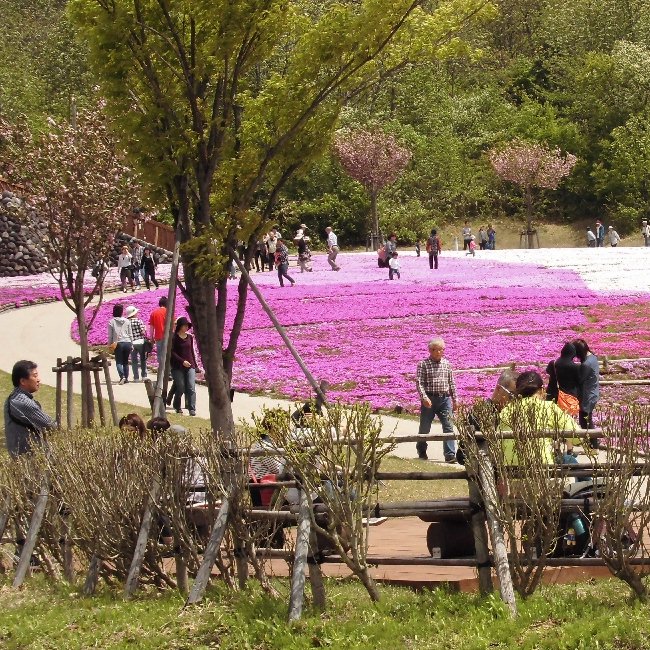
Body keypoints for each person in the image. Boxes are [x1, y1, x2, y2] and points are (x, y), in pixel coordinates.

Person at [499, 371, 579, 466]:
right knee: (569, 460)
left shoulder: (507, 410)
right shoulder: (548, 407)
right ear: (542, 390)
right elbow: (578, 438)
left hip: (511, 471)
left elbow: (500, 443)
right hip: (542, 470)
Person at [415, 338, 457, 462]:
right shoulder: (423, 364)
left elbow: (452, 383)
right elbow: (419, 383)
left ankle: (450, 455)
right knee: (425, 427)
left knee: (448, 426)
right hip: (430, 399)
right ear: (430, 350)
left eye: (441, 349)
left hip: (444, 399)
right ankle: (422, 451)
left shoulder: (447, 364)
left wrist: (455, 399)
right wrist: (424, 397)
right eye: (435, 350)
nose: (438, 352)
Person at [4, 360, 56, 458]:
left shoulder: (13, 398)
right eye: (35, 376)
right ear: (23, 381)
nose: (38, 379)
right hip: (30, 460)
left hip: (24, 459)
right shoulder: (22, 402)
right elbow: (50, 425)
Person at [170, 317, 198, 416]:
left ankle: (192, 408)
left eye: (187, 326)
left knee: (191, 386)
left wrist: (195, 365)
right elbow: (172, 352)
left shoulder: (190, 337)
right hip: (177, 366)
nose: (186, 327)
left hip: (190, 365)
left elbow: (192, 351)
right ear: (179, 326)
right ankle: (177, 405)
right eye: (184, 325)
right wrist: (182, 361)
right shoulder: (174, 337)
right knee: (180, 387)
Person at [573, 338, 600, 435]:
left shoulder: (586, 364)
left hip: (587, 395)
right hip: (593, 392)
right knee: (587, 420)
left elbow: (579, 379)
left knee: (585, 422)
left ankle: (593, 445)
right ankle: (592, 445)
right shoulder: (592, 357)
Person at [546, 342, 581, 416]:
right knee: (567, 420)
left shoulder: (553, 363)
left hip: (553, 394)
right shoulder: (575, 367)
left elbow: (548, 371)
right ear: (573, 354)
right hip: (569, 397)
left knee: (552, 418)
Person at [108, 303, 133, 384]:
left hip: (118, 343)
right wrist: (131, 344)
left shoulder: (111, 322)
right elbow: (130, 333)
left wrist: (109, 345)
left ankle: (122, 377)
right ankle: (126, 378)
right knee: (126, 361)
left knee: (119, 361)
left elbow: (110, 336)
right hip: (127, 342)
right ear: (122, 312)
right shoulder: (127, 321)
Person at [126, 305, 148, 382]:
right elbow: (143, 332)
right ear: (134, 313)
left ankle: (136, 377)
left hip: (131, 343)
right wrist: (144, 329)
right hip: (140, 342)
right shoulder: (139, 321)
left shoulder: (126, 322)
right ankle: (144, 376)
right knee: (143, 359)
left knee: (134, 361)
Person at [149, 297, 168, 367]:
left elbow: (151, 327)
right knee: (168, 354)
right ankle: (168, 371)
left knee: (160, 355)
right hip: (169, 337)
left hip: (158, 337)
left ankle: (162, 370)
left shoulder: (154, 313)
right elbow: (174, 326)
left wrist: (151, 338)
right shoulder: (169, 312)